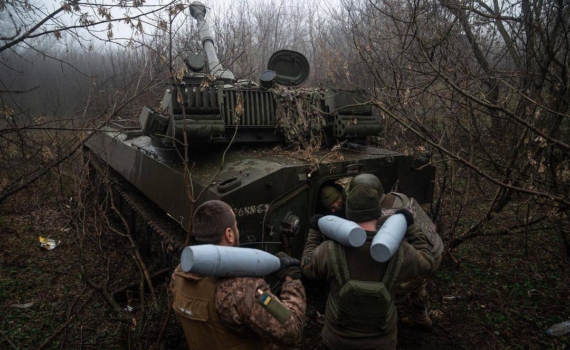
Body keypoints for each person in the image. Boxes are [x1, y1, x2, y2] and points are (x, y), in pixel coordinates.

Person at [301, 185, 436, 350]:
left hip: (337, 340)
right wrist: (410, 226)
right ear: (378, 213)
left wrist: (315, 231)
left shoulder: (329, 249)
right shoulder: (401, 251)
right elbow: (428, 261)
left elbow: (306, 266)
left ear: (347, 214)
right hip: (381, 342)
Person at [171, 200, 306, 350]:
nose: (237, 230)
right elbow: (292, 332)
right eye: (236, 225)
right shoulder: (243, 289)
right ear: (229, 234)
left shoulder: (179, 273)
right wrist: (291, 281)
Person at [348, 173, 444, 328]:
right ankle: (421, 317)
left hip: (426, 256)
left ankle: (379, 322)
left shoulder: (381, 217)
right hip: (435, 246)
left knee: (392, 287)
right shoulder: (399, 197)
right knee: (418, 285)